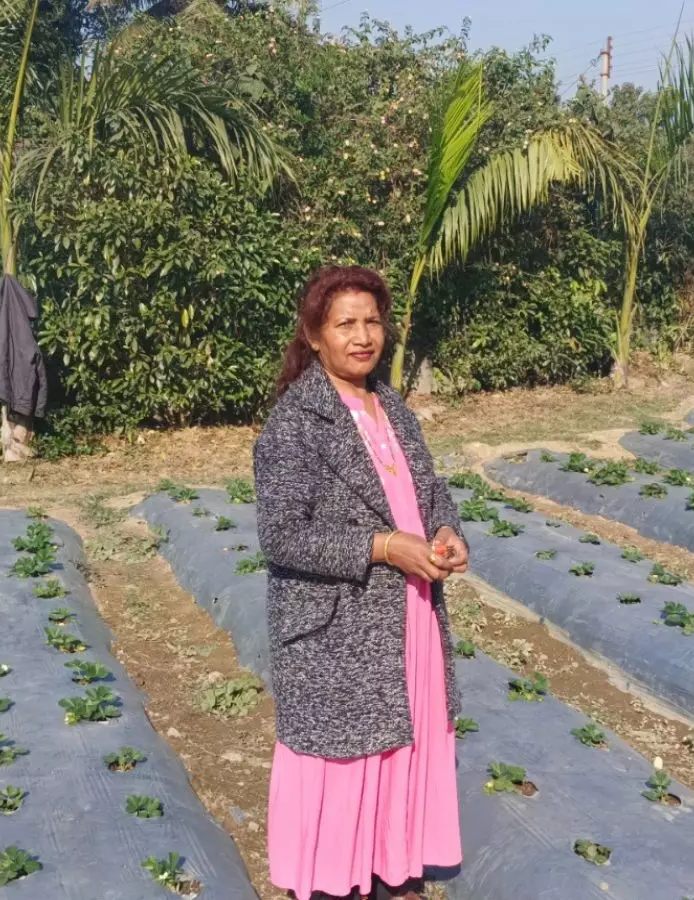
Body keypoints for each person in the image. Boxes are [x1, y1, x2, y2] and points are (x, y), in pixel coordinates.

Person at [253, 266, 470, 900]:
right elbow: (283, 536)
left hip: (409, 616)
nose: (362, 335)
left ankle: (392, 864)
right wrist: (381, 546)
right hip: (337, 630)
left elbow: (429, 492)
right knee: (345, 760)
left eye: (372, 320)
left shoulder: (392, 407)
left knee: (399, 747)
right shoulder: (295, 423)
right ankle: (330, 881)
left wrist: (447, 531)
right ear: (314, 336)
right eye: (344, 323)